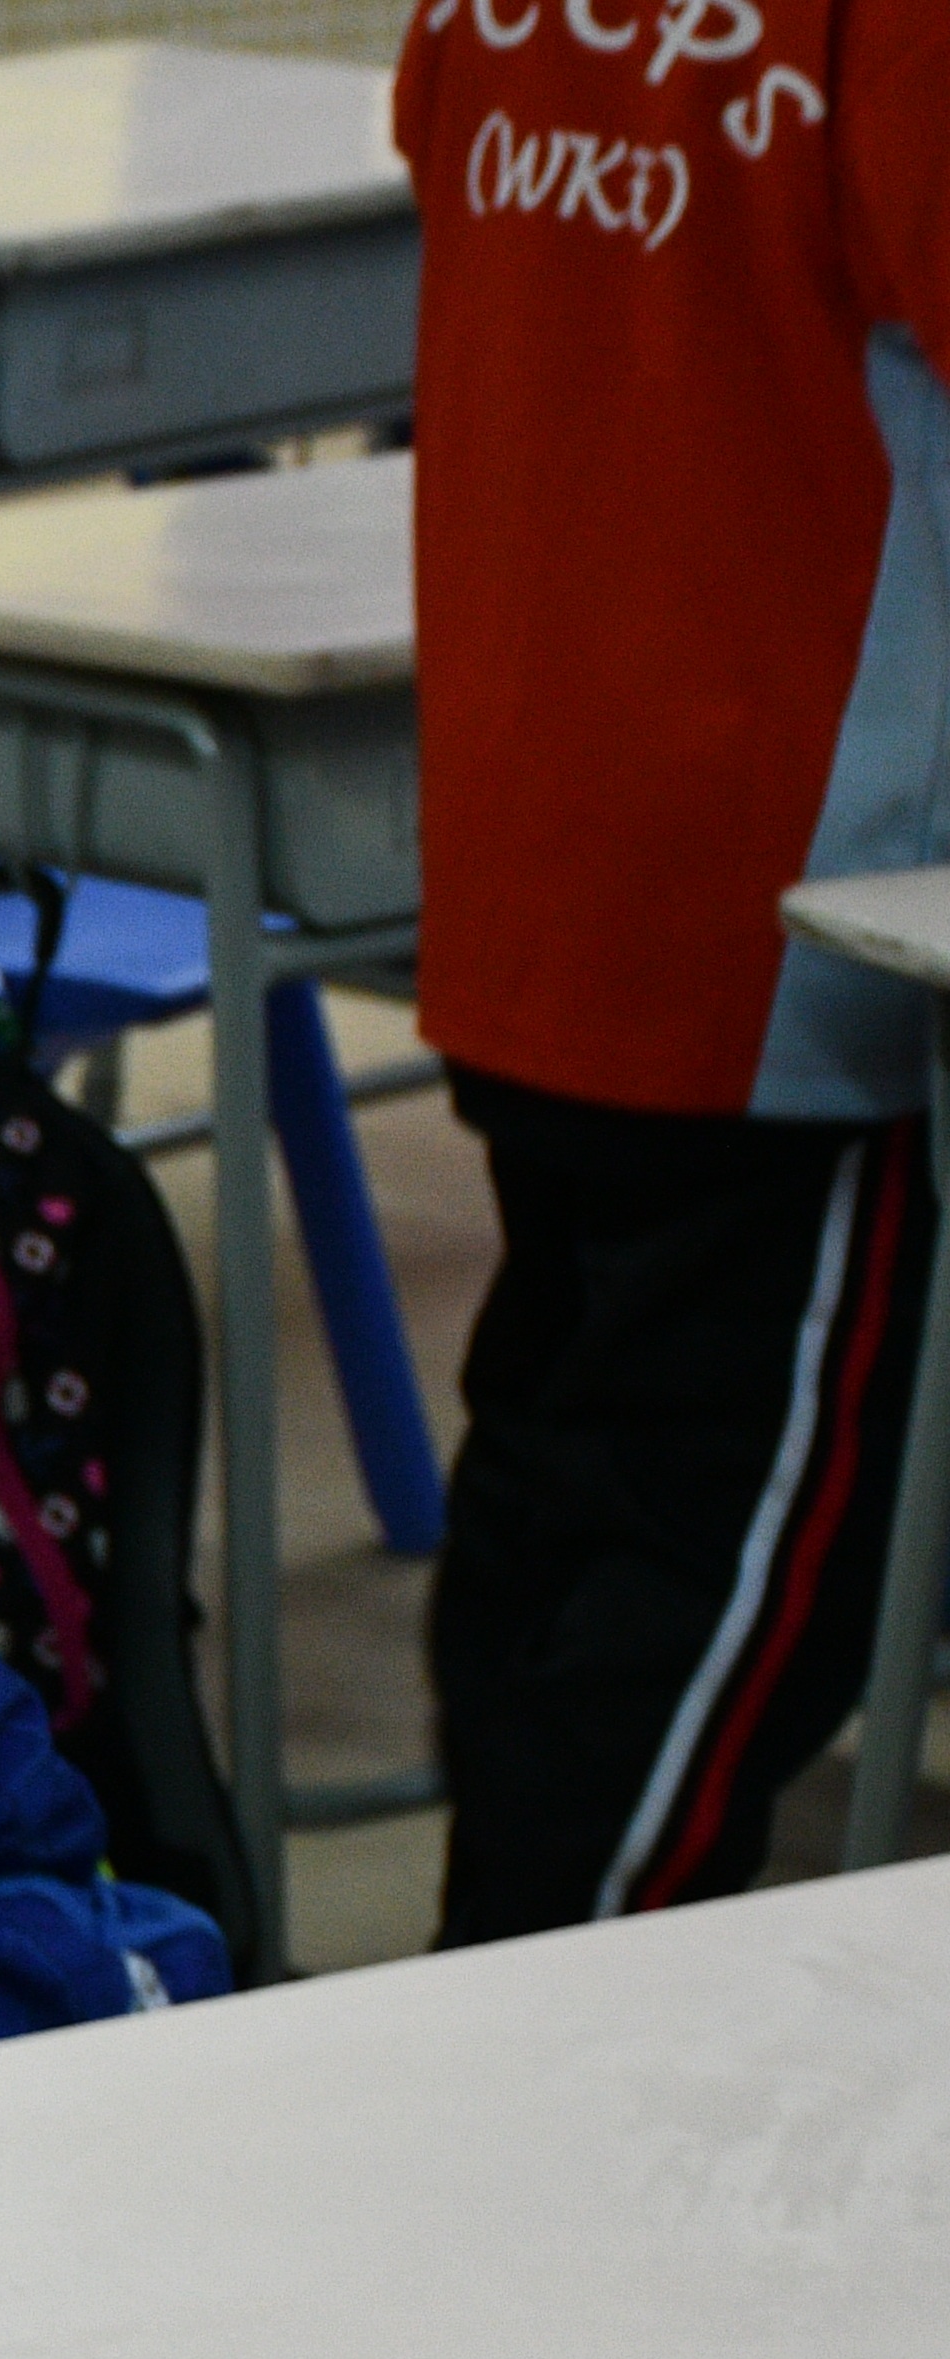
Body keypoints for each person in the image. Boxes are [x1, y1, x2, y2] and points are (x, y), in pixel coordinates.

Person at [396, 0, 950, 1940]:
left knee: (567, 1467)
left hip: (539, 838)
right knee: (737, 1555)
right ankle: (549, 2002)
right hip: (784, 918)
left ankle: (480, 1971)